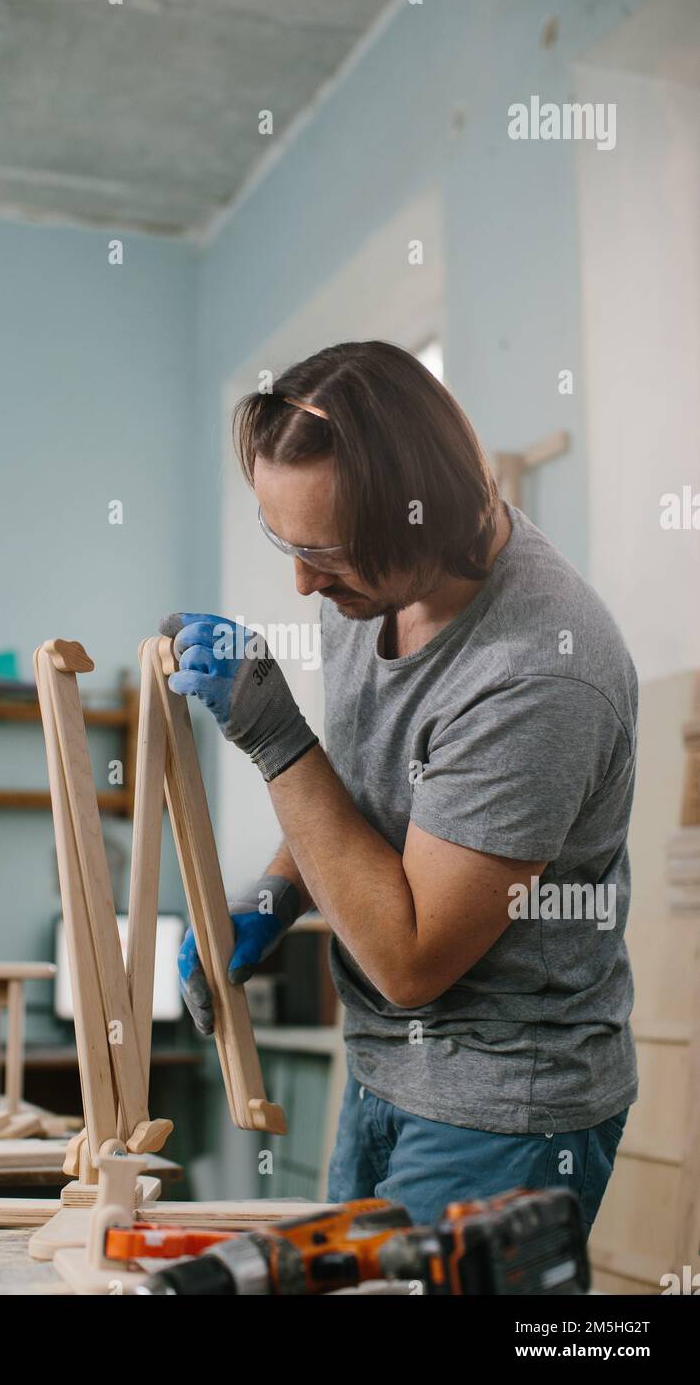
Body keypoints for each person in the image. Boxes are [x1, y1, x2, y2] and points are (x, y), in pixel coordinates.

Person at [161, 339, 637, 1237]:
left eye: (328, 553)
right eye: (284, 542)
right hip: (385, 1069)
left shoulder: (538, 674)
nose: (303, 582)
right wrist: (278, 892)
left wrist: (271, 735)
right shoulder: (369, 589)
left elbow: (412, 960)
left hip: (503, 1106)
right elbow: (370, 798)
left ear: (422, 520)